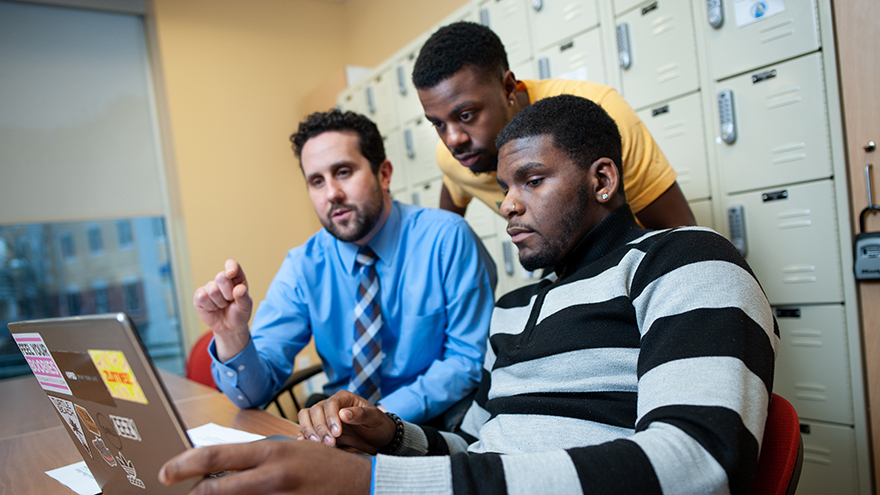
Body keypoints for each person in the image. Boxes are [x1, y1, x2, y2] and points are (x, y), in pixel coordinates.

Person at [161, 95, 777, 494]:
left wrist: (376, 481)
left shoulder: (687, 261)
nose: (506, 204)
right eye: (503, 186)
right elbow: (481, 443)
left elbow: (700, 463)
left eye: (531, 181)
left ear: (603, 180)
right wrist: (388, 436)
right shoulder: (516, 308)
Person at [193, 109, 494, 425]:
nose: (331, 194)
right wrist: (231, 335)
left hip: (428, 422)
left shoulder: (446, 239)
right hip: (343, 430)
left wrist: (377, 419)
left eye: (344, 172)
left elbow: (466, 361)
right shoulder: (303, 265)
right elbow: (252, 395)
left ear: (384, 174)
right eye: (317, 181)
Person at [415, 21, 696, 229]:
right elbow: (446, 228)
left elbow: (681, 237)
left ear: (509, 87)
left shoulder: (598, 114)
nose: (453, 140)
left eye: (466, 115)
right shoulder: (456, 159)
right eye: (438, 124)